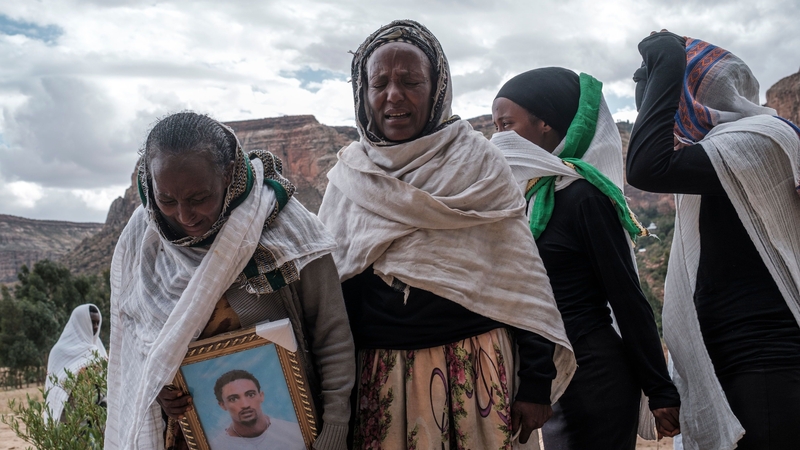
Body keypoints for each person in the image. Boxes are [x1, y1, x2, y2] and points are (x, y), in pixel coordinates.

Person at [318, 20, 576, 449]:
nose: (393, 95)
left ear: (437, 88)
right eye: (378, 83)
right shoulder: (350, 176)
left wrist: (536, 384)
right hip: (380, 379)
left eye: (410, 81)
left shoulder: (478, 164)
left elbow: (521, 280)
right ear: (362, 95)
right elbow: (331, 292)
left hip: (475, 374)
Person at [105, 112, 356, 450]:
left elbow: (332, 335)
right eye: (167, 199)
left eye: (199, 198)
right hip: (190, 436)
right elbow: (138, 345)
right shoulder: (143, 240)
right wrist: (158, 390)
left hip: (293, 435)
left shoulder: (289, 232)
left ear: (226, 176)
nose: (183, 215)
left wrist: (336, 427)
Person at [489, 67, 681, 449]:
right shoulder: (527, 200)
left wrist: (660, 392)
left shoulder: (584, 197)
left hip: (595, 379)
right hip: (553, 377)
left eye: (507, 124)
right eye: (495, 126)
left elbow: (627, 297)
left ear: (546, 123)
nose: (498, 138)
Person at [627, 31, 800, 450]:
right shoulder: (719, 149)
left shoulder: (761, 140)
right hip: (733, 350)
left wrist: (668, 60)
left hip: (766, 356)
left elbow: (647, 167)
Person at [210, 369, 304, 450]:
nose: (245, 405)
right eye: (233, 399)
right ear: (222, 405)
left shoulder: (296, 433)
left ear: (261, 396)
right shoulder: (216, 446)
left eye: (250, 395)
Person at [45, 303, 107, 422]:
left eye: (97, 323)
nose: (95, 327)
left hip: (96, 419)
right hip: (69, 419)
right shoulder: (59, 351)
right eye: (91, 322)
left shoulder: (98, 349)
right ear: (80, 322)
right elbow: (55, 389)